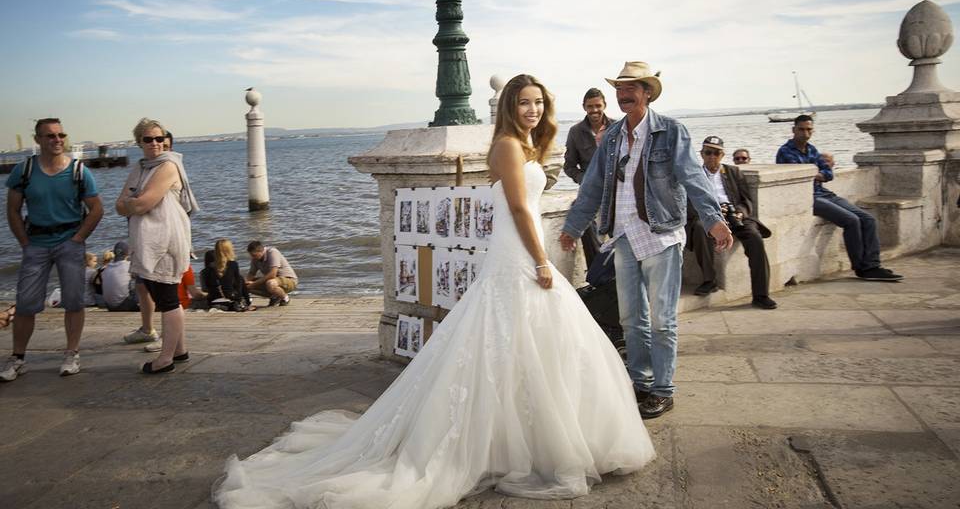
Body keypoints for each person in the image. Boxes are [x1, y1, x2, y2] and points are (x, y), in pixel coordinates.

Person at [214, 74, 655, 508]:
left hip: (521, 245)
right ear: (509, 107)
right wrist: (541, 261)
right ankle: (516, 443)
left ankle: (532, 436)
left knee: (535, 341)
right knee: (513, 335)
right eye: (523, 102)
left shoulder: (526, 144)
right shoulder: (505, 145)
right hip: (518, 250)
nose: (532, 109)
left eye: (538, 102)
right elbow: (520, 207)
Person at [560, 61, 733, 419]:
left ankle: (663, 390)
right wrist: (573, 227)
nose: (623, 95)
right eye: (619, 89)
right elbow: (592, 185)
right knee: (631, 318)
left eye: (631, 89)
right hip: (623, 236)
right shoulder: (611, 137)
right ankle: (639, 382)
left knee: (662, 320)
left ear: (647, 93)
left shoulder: (671, 131)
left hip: (661, 235)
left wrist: (714, 220)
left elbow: (692, 177)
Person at [1, 118, 104, 382]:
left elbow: (96, 209)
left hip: (70, 242)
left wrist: (78, 239)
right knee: (25, 304)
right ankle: (18, 358)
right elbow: (12, 209)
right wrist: (24, 242)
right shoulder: (24, 171)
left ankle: (72, 354)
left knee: (74, 300)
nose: (57, 140)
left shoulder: (79, 171)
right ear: (38, 140)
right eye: (50, 136)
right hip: (36, 243)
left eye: (60, 135)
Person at [116, 118, 199, 374]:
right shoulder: (140, 168)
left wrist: (134, 200)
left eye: (159, 138)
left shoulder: (168, 165)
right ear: (139, 142)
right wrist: (133, 201)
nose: (156, 143)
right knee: (158, 291)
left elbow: (142, 204)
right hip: (146, 241)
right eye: (149, 139)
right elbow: (119, 206)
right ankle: (180, 349)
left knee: (168, 299)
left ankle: (165, 359)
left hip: (165, 240)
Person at [776, 115, 902, 282]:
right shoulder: (785, 151)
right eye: (801, 129)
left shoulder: (812, 149)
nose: (805, 133)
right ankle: (861, 268)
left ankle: (873, 265)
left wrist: (818, 174)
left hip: (824, 193)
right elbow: (801, 176)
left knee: (868, 219)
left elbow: (828, 173)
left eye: (809, 129)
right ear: (794, 130)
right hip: (806, 198)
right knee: (851, 221)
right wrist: (817, 173)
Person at [687, 136, 777, 309]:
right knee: (699, 228)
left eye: (716, 153)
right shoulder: (694, 176)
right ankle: (709, 280)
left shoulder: (733, 172)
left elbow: (747, 201)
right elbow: (688, 203)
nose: (712, 157)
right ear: (702, 154)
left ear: (722, 155)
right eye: (708, 152)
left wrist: (740, 213)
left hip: (734, 215)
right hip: (709, 215)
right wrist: (710, 214)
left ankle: (761, 294)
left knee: (755, 238)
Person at [563, 87, 613, 267]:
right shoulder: (575, 132)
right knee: (580, 213)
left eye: (598, 105)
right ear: (584, 107)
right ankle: (598, 269)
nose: (594, 110)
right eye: (590, 106)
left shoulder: (617, 128)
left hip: (616, 189)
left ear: (604, 105)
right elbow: (568, 166)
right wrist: (583, 178)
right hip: (590, 191)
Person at [203, 240, 252, 312]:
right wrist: (244, 301)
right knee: (241, 278)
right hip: (229, 299)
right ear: (229, 250)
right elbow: (239, 286)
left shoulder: (209, 267)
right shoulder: (233, 264)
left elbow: (207, 287)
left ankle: (220, 305)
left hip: (213, 300)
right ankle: (244, 303)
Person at [245, 241, 297, 306]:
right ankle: (275, 296)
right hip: (273, 281)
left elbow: (272, 274)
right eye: (251, 255)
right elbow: (251, 273)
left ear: (261, 251)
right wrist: (246, 283)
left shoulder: (272, 252)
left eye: (254, 255)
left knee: (270, 283)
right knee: (245, 286)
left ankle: (285, 298)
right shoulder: (255, 259)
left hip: (289, 280)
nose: (253, 257)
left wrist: (254, 284)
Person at [101, 241, 139, 312]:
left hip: (109, 306)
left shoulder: (106, 268)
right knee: (141, 279)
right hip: (125, 305)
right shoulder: (129, 265)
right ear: (128, 253)